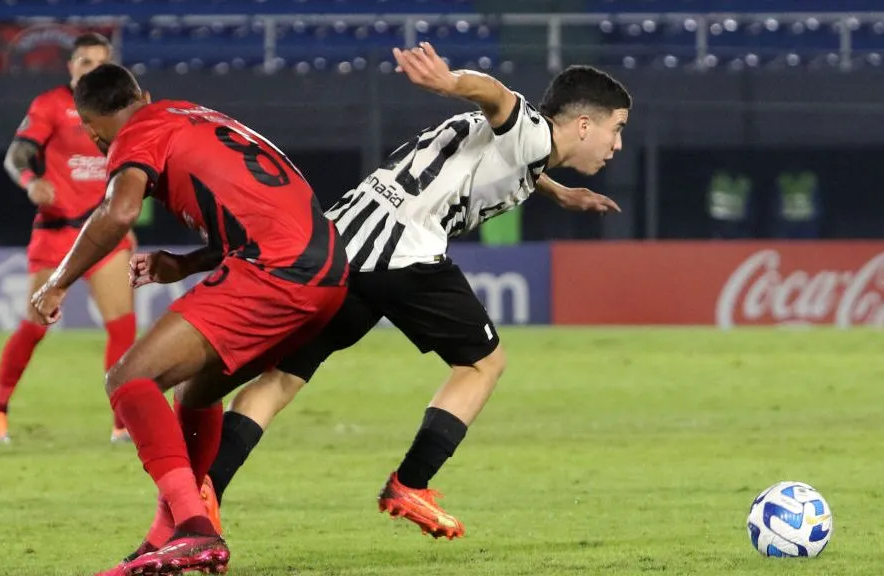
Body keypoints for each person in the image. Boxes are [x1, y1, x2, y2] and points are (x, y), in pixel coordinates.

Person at [195, 42, 628, 541]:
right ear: (583, 125)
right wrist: (450, 82)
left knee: (284, 377)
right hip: (403, 252)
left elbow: (516, 152)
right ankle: (410, 484)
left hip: (341, 245)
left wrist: (560, 191)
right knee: (484, 364)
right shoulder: (528, 129)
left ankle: (206, 492)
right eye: (615, 129)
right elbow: (497, 94)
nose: (616, 144)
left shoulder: (522, 148)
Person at [29, 63, 349, 575]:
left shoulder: (137, 132)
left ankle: (194, 530)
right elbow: (256, 210)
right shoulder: (190, 114)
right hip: (329, 273)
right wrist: (184, 264)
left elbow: (119, 212)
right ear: (144, 94)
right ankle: (166, 536)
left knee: (129, 379)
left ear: (91, 130)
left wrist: (59, 280)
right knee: (198, 390)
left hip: (278, 270)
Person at [0, 33, 137, 445]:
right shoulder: (51, 105)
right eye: (84, 62)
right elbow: (16, 155)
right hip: (59, 231)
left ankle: (122, 424)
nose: (91, 70)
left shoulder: (121, 111)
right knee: (35, 327)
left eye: (100, 64)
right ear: (71, 67)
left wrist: (127, 221)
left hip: (103, 231)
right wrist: (31, 183)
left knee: (123, 328)